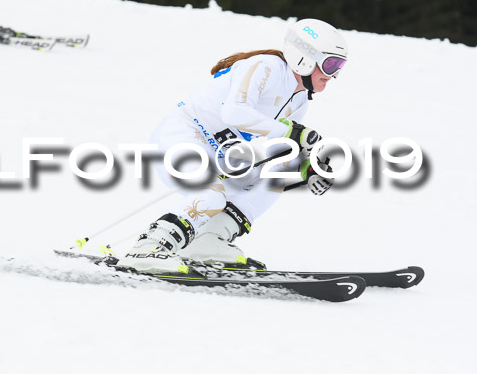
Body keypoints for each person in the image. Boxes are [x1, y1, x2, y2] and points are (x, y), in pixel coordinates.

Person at [119, 19, 348, 273]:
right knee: (211, 193)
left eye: (339, 66)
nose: (333, 75)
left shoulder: (300, 100)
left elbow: (281, 148)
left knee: (276, 177)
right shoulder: (266, 67)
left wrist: (308, 168)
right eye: (330, 64)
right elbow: (234, 112)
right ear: (304, 57)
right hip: (182, 136)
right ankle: (148, 247)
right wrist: (292, 132)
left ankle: (209, 241)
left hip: (219, 152)